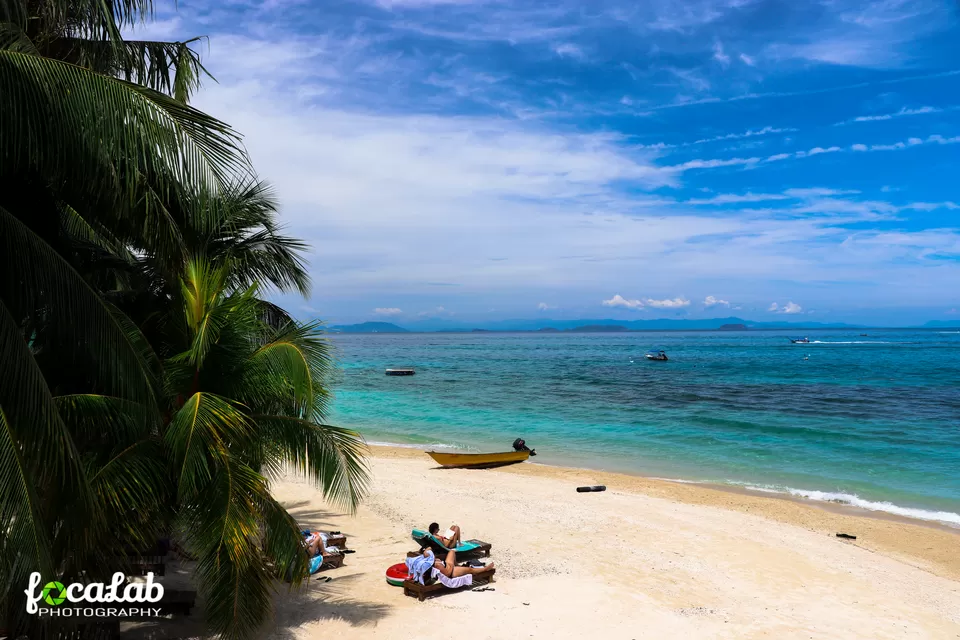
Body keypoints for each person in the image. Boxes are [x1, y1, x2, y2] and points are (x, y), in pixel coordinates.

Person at [409, 547, 494, 585]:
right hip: (452, 571)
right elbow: (447, 573)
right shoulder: (434, 566)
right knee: (469, 570)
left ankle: (458, 565)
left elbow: (427, 549)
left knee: (452, 552)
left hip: (447, 564)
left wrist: (428, 551)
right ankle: (485, 569)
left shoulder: (430, 559)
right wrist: (451, 566)